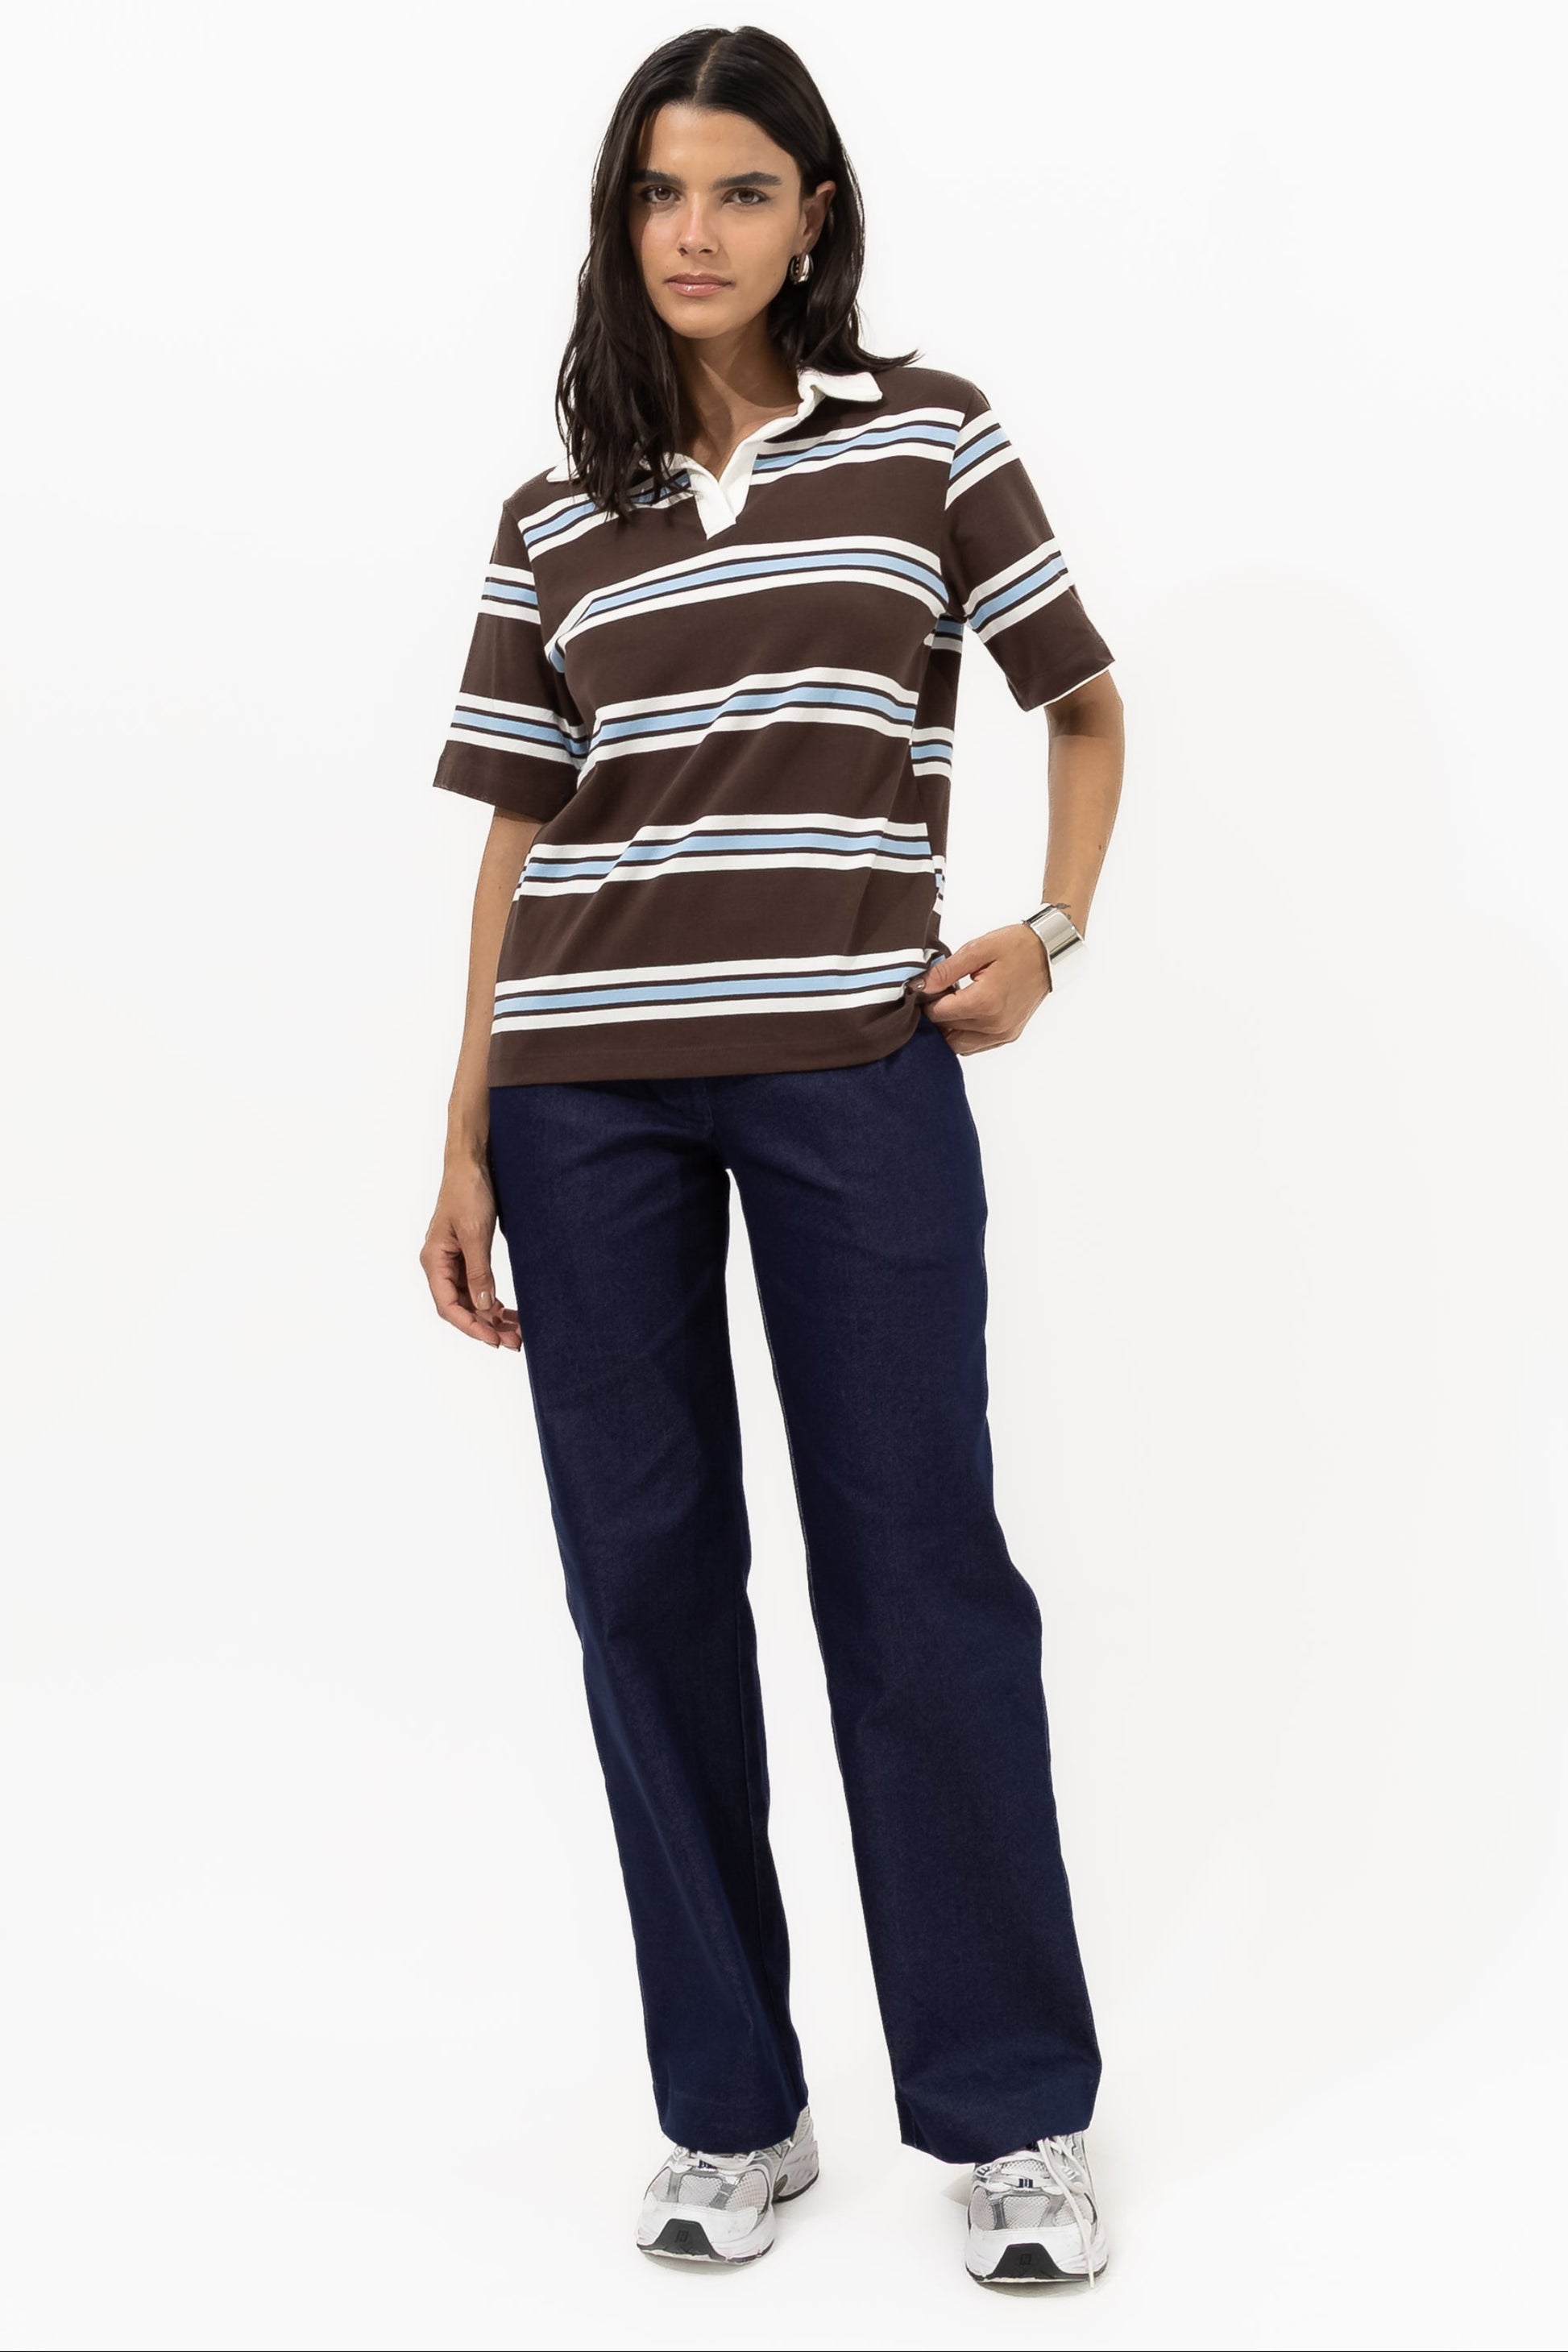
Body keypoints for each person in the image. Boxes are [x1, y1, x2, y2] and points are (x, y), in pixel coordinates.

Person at [420, 23, 1125, 2290]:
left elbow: (1081, 703)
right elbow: (519, 837)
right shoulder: (559, 513)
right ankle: (729, 2109)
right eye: (659, 192)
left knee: (917, 1573)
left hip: (852, 1065)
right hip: (580, 1092)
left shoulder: (925, 436)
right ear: (618, 222)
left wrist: (1049, 934)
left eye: (739, 189)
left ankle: (1009, 2114)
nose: (695, 231)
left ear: (815, 213)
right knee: (640, 1584)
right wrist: (462, 1131)